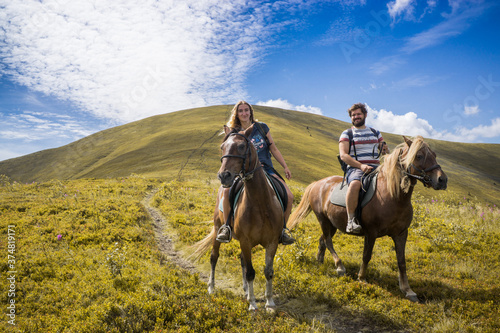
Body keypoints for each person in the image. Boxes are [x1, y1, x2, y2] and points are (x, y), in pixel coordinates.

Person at [216, 100, 295, 245]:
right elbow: (227, 151)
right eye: (241, 111)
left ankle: (282, 229)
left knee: (289, 196)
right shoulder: (234, 131)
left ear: (251, 112)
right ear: (237, 113)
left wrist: (285, 166)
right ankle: (226, 227)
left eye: (247, 110)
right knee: (226, 192)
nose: (244, 113)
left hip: (266, 168)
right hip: (243, 172)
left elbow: (274, 149)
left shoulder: (262, 127)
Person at [339, 103, 389, 234]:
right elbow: (344, 155)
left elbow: (384, 150)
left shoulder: (375, 132)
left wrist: (385, 150)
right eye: (353, 115)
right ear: (351, 117)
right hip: (356, 168)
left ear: (365, 115)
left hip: (377, 168)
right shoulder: (347, 134)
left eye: (358, 114)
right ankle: (351, 221)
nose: (356, 117)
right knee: (355, 184)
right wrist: (361, 165)